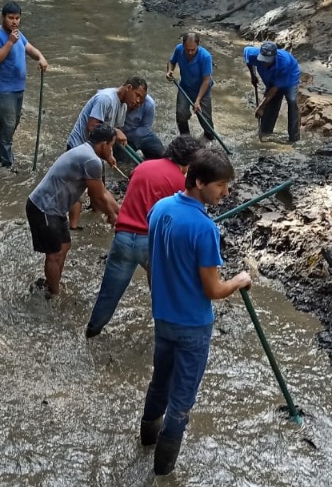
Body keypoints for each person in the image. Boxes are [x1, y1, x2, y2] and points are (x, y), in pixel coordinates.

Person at [140, 148, 251, 476]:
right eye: (221, 186)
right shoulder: (204, 229)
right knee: (181, 402)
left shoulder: (160, 209)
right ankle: (161, 476)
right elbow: (214, 291)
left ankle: (145, 442)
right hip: (192, 326)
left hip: (163, 317)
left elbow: (151, 265)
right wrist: (240, 280)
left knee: (160, 381)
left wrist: (162, 295)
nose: (226, 193)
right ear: (199, 182)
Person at [84, 135, 204, 339]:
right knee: (165, 291)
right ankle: (166, 335)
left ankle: (92, 332)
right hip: (149, 243)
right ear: (190, 162)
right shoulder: (180, 182)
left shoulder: (143, 167)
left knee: (108, 295)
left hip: (122, 239)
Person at [26, 123, 121, 297]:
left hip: (54, 208)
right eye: (112, 146)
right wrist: (112, 215)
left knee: (65, 245)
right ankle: (54, 294)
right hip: (43, 208)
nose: (111, 151)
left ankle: (53, 285)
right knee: (54, 254)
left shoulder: (87, 152)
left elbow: (102, 193)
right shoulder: (92, 161)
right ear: (104, 144)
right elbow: (97, 198)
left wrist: (120, 212)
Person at [0, 0, 48, 169]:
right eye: (11, 18)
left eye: (17, 18)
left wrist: (41, 58)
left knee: (12, 123)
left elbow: (30, 49)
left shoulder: (18, 34)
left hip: (18, 88)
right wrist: (10, 42)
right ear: (3, 17)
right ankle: (7, 162)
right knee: (9, 123)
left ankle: (0, 156)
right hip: (3, 89)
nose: (14, 21)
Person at [65, 78, 147, 152]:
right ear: (128, 88)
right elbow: (91, 126)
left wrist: (109, 155)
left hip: (93, 149)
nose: (138, 100)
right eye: (137, 95)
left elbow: (114, 131)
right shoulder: (105, 98)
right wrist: (115, 131)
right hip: (77, 146)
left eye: (140, 98)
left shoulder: (124, 106)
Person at [244, 40, 301, 143]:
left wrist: (261, 107)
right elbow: (247, 55)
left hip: (290, 76)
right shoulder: (253, 54)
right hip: (271, 78)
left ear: (274, 57)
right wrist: (253, 75)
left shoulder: (284, 62)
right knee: (271, 104)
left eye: (267, 60)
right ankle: (265, 133)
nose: (264, 62)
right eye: (263, 59)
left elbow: (274, 89)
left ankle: (294, 138)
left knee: (292, 101)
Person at [167, 32, 215, 139]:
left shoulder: (205, 57)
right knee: (181, 114)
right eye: (187, 49)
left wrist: (197, 100)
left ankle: (210, 138)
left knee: (205, 121)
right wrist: (170, 71)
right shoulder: (179, 49)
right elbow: (171, 61)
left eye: (193, 50)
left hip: (202, 90)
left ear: (198, 45)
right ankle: (186, 139)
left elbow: (206, 80)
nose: (189, 52)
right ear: (183, 45)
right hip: (185, 88)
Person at [119, 93, 165, 160]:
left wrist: (126, 135)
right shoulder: (119, 100)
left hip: (142, 134)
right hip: (122, 136)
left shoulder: (149, 103)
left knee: (161, 156)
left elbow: (146, 128)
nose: (137, 101)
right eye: (136, 95)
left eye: (140, 99)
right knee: (121, 161)